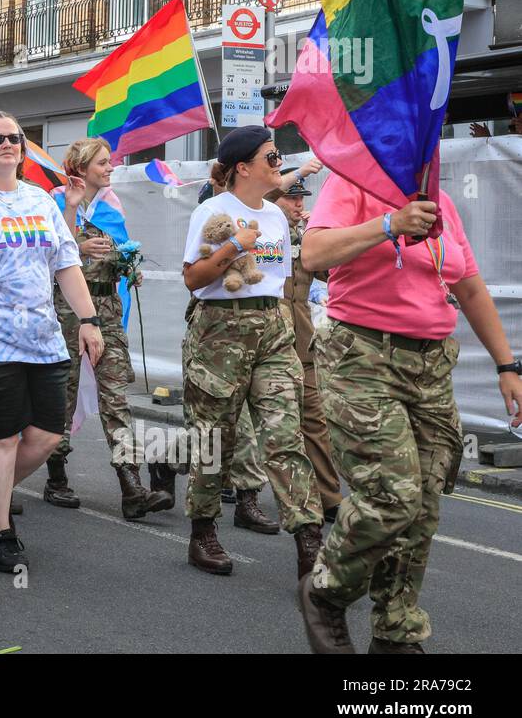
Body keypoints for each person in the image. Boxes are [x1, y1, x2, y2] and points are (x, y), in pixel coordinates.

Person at [298, 179, 522, 654]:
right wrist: (388, 224)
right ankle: (326, 592)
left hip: (431, 367)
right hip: (362, 358)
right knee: (392, 496)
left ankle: (395, 630)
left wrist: (507, 365)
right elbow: (314, 253)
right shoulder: (353, 181)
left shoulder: (438, 198)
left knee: (423, 505)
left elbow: (470, 285)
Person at [0, 112, 104, 573]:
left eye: (15, 138)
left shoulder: (41, 199)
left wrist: (88, 318)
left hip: (42, 338)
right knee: (0, 438)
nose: (8, 145)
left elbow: (66, 263)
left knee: (46, 436)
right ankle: (1, 534)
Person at [180, 126, 323, 579]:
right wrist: (232, 247)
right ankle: (203, 529)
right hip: (221, 330)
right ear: (243, 167)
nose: (279, 163)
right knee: (213, 439)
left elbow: (280, 280)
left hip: (272, 328)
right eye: (271, 157)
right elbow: (193, 278)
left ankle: (308, 540)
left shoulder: (278, 217)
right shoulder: (213, 209)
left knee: (285, 435)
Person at [52, 137, 171, 518]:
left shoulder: (112, 209)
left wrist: (128, 266)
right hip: (67, 310)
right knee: (64, 394)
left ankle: (131, 486)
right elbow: (52, 252)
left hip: (108, 309)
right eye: (102, 163)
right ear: (81, 167)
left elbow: (120, 252)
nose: (110, 168)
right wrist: (80, 248)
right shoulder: (54, 202)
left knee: (116, 396)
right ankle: (56, 476)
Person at [275, 165, 342, 523]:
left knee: (315, 418)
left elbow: (328, 272)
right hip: (264, 341)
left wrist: (328, 237)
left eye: (302, 197)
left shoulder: (305, 232)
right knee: (239, 421)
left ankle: (329, 497)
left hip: (301, 341)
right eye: (292, 197)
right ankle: (230, 481)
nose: (299, 204)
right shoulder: (261, 228)